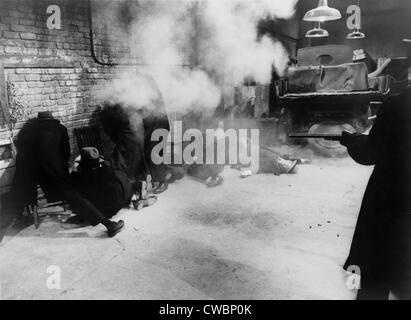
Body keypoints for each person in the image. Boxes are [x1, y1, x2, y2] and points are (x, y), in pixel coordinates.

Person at [340, 88, 411, 299]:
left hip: (390, 204)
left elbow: (370, 152)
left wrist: (353, 141)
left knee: (374, 274)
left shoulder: (398, 104)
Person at [12, 111, 70, 211]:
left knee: (25, 180)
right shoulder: (61, 129)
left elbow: (25, 154)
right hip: (56, 171)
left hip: (37, 172)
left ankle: (30, 206)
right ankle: (64, 199)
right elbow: (66, 152)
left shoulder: (31, 132)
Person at [65, 147, 127, 237]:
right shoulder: (107, 169)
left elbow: (69, 187)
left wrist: (75, 171)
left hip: (97, 212)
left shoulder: (80, 175)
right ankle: (109, 224)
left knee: (72, 193)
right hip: (112, 209)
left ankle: (109, 224)